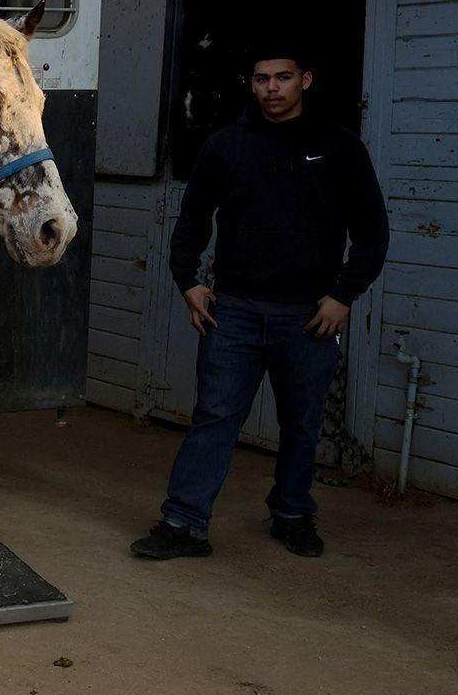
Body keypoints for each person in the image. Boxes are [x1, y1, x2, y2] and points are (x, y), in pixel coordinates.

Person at [131, 46, 387, 561]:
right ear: (251, 84)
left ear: (305, 81)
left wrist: (342, 296)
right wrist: (188, 281)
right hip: (236, 312)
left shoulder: (338, 147)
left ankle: (292, 513)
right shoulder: (226, 146)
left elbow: (373, 231)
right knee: (215, 416)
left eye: (283, 78)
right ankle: (183, 524)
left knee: (301, 422)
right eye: (262, 79)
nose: (272, 88)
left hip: (309, 315)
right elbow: (193, 220)